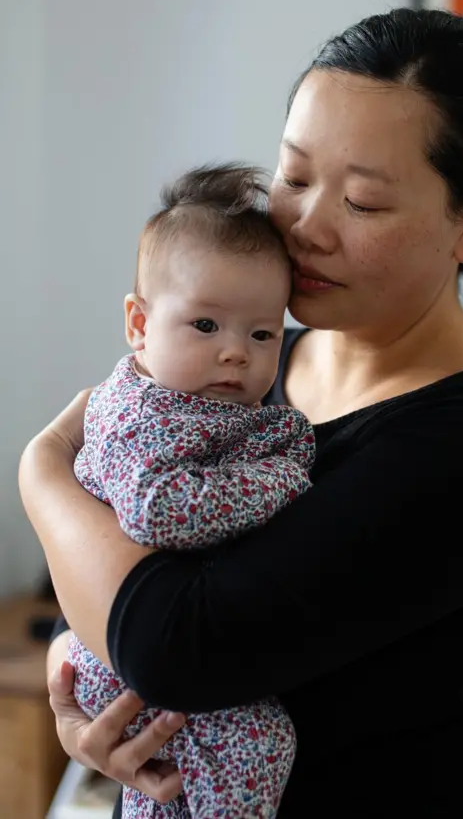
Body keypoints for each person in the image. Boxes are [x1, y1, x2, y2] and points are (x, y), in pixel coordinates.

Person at [20, 8, 463, 819]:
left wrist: (40, 474)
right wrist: (75, 678)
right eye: (295, 177)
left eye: (364, 203)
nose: (306, 228)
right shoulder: (260, 361)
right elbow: (119, 563)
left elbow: (179, 647)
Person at [68, 163, 315, 819]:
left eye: (262, 333)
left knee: (170, 791)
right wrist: (283, 478)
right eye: (206, 326)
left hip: (140, 645)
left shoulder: (200, 404)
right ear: (139, 323)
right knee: (256, 741)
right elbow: (158, 511)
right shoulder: (142, 413)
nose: (237, 352)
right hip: (120, 662)